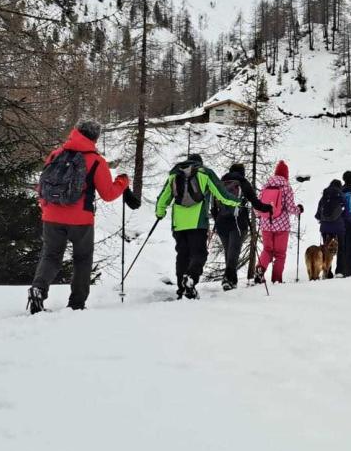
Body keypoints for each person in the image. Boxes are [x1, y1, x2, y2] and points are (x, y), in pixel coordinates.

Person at [29, 119, 138, 313]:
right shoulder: (95, 160)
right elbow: (108, 194)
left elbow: (42, 186)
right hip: (81, 219)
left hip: (51, 216)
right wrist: (123, 182)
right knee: (82, 259)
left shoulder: (56, 154)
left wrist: (45, 208)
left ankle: (38, 288)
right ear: (95, 138)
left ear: (76, 132)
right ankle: (77, 304)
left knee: (51, 256)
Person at [155, 153, 240, 299]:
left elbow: (163, 197)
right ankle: (191, 278)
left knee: (182, 255)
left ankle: (182, 290)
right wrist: (238, 202)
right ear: (200, 163)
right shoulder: (205, 173)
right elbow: (222, 195)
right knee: (199, 254)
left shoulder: (175, 174)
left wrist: (160, 213)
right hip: (198, 223)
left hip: (178, 224)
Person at [213, 163, 273, 291]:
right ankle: (228, 279)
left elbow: (213, 206)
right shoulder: (243, 183)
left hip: (222, 223)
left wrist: (217, 220)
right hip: (238, 223)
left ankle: (231, 280)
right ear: (242, 172)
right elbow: (256, 203)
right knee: (233, 252)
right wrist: (268, 208)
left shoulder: (220, 184)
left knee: (229, 252)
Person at [254, 160, 303, 284]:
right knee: (280, 254)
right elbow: (290, 208)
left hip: (266, 224)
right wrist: (299, 210)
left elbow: (257, 206)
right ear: (286, 174)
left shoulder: (266, 186)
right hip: (282, 226)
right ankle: (276, 279)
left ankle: (260, 268)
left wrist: (260, 216)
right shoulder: (286, 187)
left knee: (267, 250)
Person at [314, 179, 348, 278]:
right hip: (339, 227)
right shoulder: (341, 196)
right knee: (341, 248)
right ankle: (340, 271)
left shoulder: (324, 197)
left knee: (326, 249)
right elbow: (346, 212)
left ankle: (327, 272)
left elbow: (317, 215)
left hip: (325, 228)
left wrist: (323, 219)